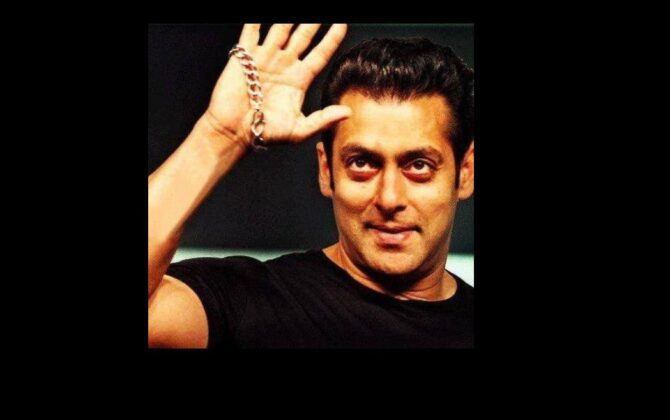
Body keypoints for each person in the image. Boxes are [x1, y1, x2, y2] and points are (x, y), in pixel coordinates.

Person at [148, 23, 475, 348]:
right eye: (362, 163)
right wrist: (219, 136)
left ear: (465, 172)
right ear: (326, 170)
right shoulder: (250, 302)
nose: (389, 198)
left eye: (419, 166)